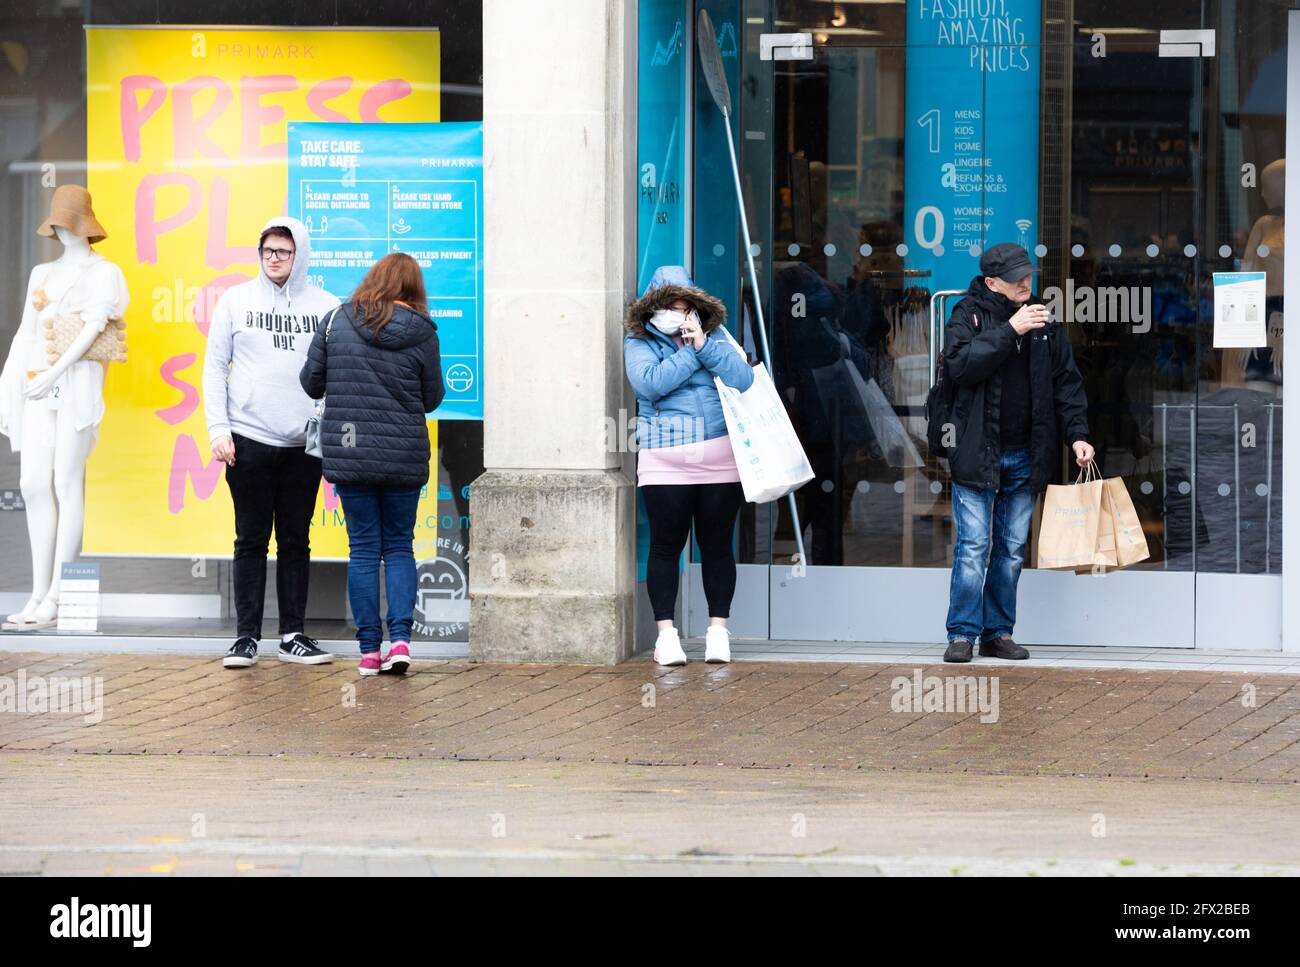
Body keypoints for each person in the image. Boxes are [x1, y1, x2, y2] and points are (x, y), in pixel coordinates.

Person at [939, 243, 1094, 663]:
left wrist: (1077, 434)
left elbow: (1067, 384)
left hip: (1027, 454)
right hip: (977, 452)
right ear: (992, 283)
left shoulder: (1044, 321)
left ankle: (998, 632)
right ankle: (961, 634)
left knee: (1009, 549)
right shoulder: (967, 315)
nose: (1026, 283)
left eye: (1028, 275)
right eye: (1015, 278)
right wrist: (1012, 330)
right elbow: (960, 366)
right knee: (972, 546)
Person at [204, 216, 340, 668]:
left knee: (296, 540)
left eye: (284, 251)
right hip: (248, 440)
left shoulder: (326, 306)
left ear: (300, 254)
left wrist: (323, 429)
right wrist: (218, 430)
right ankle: (245, 638)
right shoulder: (236, 300)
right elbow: (213, 368)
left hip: (303, 447)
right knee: (250, 539)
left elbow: (336, 375)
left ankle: (293, 634)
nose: (275, 259)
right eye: (268, 251)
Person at [300, 253, 444, 676]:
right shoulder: (423, 333)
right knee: (399, 546)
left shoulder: (334, 322)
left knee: (363, 549)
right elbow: (432, 398)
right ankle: (400, 641)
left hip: (351, 454)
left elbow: (311, 383)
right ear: (414, 289)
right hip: (403, 455)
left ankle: (368, 651)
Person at [624, 266, 754, 666]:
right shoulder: (638, 340)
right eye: (670, 306)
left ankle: (718, 632)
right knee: (667, 547)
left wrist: (705, 346)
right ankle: (667, 636)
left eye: (685, 307)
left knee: (717, 546)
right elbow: (649, 384)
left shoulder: (713, 338)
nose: (678, 314)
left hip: (720, 456)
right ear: (654, 308)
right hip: (666, 458)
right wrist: (690, 354)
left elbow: (743, 377)